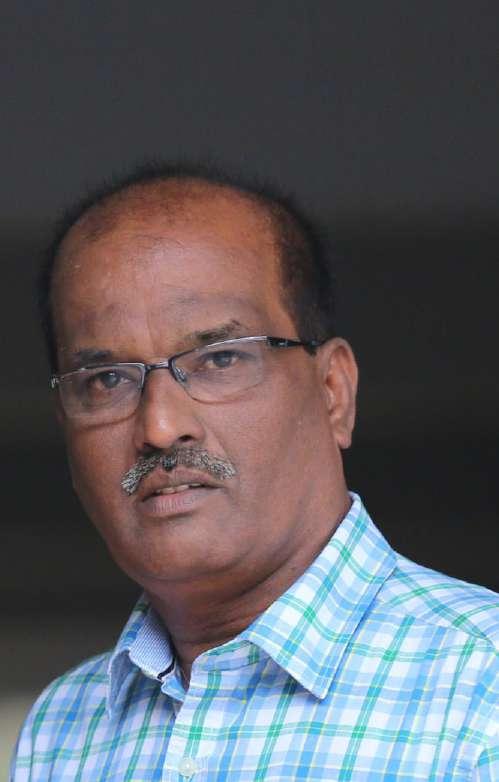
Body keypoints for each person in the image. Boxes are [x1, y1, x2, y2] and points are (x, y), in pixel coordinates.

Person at [11, 163, 499, 781]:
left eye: (219, 359)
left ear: (333, 392)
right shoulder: (61, 732)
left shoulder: (481, 687)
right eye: (107, 379)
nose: (160, 426)